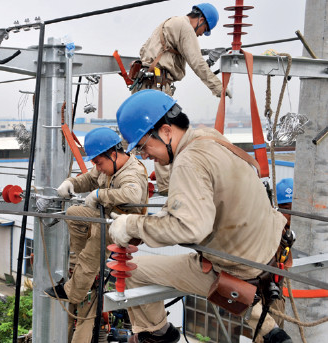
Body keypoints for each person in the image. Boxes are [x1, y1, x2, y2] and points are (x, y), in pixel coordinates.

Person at [109, 90, 292, 343]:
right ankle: (267, 326)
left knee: (133, 270)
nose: (145, 156)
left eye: (143, 147)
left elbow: (190, 229)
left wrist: (132, 225)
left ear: (165, 131)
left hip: (238, 266)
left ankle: (156, 334)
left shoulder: (188, 161)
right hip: (271, 253)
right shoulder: (209, 137)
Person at [44, 127, 149, 343]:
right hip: (109, 218)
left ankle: (75, 291)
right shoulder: (106, 166)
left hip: (126, 226)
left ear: (113, 154)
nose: (97, 167)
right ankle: (83, 274)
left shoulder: (131, 172)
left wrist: (101, 194)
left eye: (99, 162)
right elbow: (89, 179)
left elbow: (132, 193)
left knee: (98, 231)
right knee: (74, 214)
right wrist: (71, 183)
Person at [131, 3, 229, 196]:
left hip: (146, 84)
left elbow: (144, 51)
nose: (201, 34)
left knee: (145, 133)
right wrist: (218, 88)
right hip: (158, 85)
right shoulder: (185, 27)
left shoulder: (168, 23)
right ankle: (167, 187)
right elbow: (196, 62)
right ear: (201, 19)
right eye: (204, 30)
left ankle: (136, 177)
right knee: (166, 134)